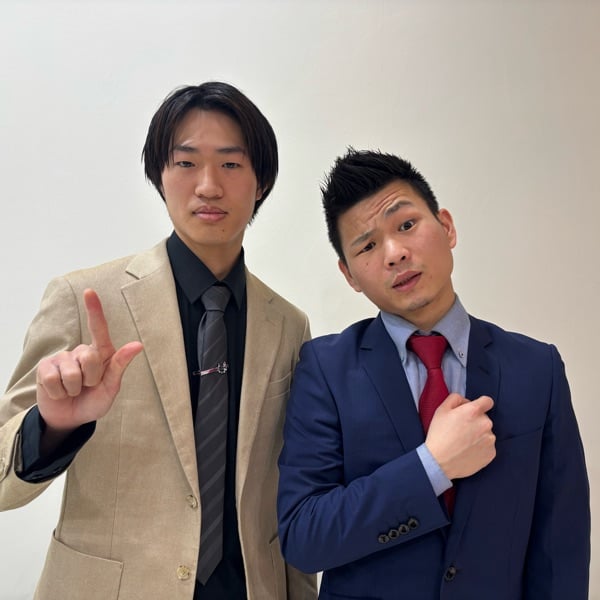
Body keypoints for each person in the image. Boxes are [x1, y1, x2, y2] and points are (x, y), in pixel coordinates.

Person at [0, 82, 317, 600]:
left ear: (261, 182)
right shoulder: (83, 299)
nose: (208, 186)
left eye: (231, 164)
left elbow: (290, 488)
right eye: (186, 163)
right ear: (159, 176)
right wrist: (52, 426)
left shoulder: (287, 324)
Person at [277, 148, 590, 599]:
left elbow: (560, 551)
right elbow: (304, 537)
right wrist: (432, 467)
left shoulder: (537, 369)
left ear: (446, 227)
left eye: (406, 225)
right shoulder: (325, 369)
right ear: (350, 275)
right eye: (367, 246)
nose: (395, 253)